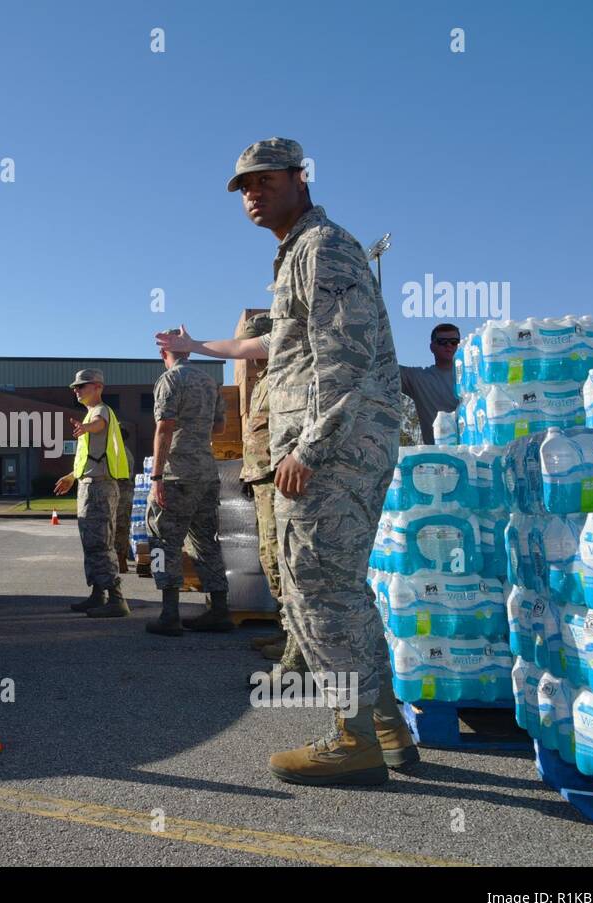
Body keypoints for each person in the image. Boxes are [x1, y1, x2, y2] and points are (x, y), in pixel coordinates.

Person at [156, 137, 418, 786]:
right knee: (338, 591)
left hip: (334, 453)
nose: (251, 192)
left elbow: (347, 357)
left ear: (300, 179)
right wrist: (198, 344)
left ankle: (354, 739)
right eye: (243, 186)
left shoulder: (322, 249)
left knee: (321, 591)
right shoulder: (297, 256)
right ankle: (386, 731)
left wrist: (309, 447)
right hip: (333, 450)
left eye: (264, 180)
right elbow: (266, 345)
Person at [144, 334, 234, 636]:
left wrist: (156, 476)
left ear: (164, 353)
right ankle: (219, 611)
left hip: (177, 475)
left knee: (164, 542)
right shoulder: (209, 382)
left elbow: (164, 428)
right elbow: (219, 426)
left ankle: (169, 615)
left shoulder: (170, 380)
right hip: (206, 475)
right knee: (206, 542)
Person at [238, 312, 307, 680]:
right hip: (262, 477)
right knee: (269, 555)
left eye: (254, 344)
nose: (249, 353)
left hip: (278, 478)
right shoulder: (264, 378)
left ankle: (299, 646)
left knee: (282, 557)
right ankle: (287, 632)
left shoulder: (284, 376)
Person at [54, 368, 131, 618]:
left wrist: (87, 428)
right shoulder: (90, 413)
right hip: (90, 484)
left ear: (98, 386)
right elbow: (88, 457)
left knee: (100, 542)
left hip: (99, 487)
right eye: (75, 387)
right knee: (91, 543)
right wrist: (71, 477)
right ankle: (99, 594)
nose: (76, 390)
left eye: (82, 386)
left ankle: (116, 599)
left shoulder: (100, 412)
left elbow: (99, 425)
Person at [400, 324, 461, 444]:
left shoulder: (476, 377)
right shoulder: (418, 379)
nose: (449, 345)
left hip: (474, 456)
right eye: (442, 341)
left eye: (454, 342)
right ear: (432, 347)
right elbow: (383, 366)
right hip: (437, 458)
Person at [114, 424, 137, 573]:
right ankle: (120, 560)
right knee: (122, 528)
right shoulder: (124, 450)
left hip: (120, 492)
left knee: (118, 528)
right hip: (125, 493)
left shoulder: (118, 451)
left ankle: (120, 561)